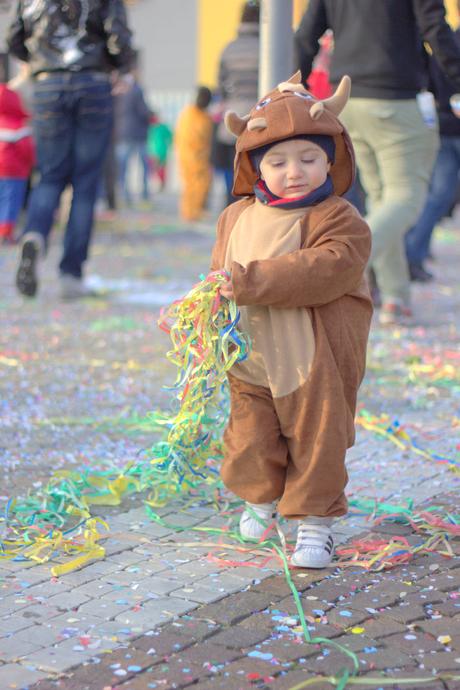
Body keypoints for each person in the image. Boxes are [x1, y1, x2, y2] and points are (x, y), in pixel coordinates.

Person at [210, 73, 373, 568]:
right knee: (249, 435)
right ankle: (259, 498)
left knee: (317, 438)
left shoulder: (339, 217)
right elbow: (221, 275)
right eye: (277, 162)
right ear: (256, 166)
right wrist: (203, 311)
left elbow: (326, 269)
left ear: (331, 160)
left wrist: (251, 281)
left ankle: (314, 523)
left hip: (313, 356)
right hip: (251, 353)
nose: (294, 172)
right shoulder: (236, 216)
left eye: (309, 158)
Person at [295, 0, 460, 325]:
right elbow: (435, 29)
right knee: (406, 198)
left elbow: (306, 35)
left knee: (385, 201)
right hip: (395, 99)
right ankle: (335, 263)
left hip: (346, 100)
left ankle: (395, 296)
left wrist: (294, 89)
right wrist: (457, 78)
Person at [7, 0, 134, 300]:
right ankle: (70, 273)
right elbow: (118, 35)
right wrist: (119, 66)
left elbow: (14, 37)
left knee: (49, 175)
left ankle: (35, 234)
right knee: (85, 183)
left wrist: (37, 60)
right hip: (92, 82)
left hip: (48, 82)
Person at [405, 10, 460, 282]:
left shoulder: (445, 42)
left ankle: (415, 253)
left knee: (437, 196)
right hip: (450, 129)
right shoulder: (446, 42)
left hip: (444, 126)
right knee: (437, 195)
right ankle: (413, 253)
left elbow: (433, 85)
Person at [214, 0, 259, 207]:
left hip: (232, 121)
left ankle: (232, 212)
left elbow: (221, 87)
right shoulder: (268, 48)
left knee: (233, 171)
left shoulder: (228, 49)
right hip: (261, 120)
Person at [0, 83, 34, 244]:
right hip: (14, 172)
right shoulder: (19, 127)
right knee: (10, 202)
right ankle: (6, 232)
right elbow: (27, 150)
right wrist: (30, 164)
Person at [175, 85, 213, 222]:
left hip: (185, 155)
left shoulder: (186, 113)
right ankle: (192, 212)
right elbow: (203, 137)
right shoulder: (202, 118)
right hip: (196, 157)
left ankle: (189, 212)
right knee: (197, 184)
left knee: (189, 185)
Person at [115, 66, 152, 205]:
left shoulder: (120, 90)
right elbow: (143, 111)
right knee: (143, 166)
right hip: (138, 133)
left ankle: (124, 195)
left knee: (124, 167)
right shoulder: (137, 90)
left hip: (122, 132)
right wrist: (152, 114)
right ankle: (144, 195)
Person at [147, 112, 173, 192]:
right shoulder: (162, 127)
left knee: (156, 168)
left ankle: (159, 184)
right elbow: (170, 136)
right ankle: (161, 184)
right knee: (160, 168)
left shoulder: (150, 127)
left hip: (154, 151)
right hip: (160, 151)